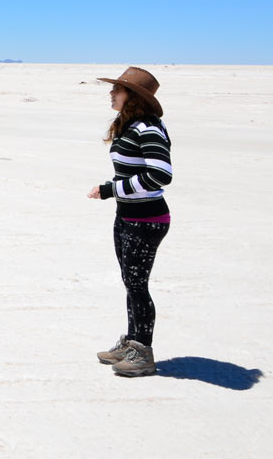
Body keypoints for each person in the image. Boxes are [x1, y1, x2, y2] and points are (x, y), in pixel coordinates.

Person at [87, 67, 172, 377]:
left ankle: (143, 354)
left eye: (117, 90)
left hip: (147, 220)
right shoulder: (129, 126)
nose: (111, 93)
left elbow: (160, 175)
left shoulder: (148, 127)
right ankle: (132, 343)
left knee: (138, 286)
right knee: (131, 283)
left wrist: (111, 190)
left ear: (133, 97)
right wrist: (116, 192)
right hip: (128, 216)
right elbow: (132, 171)